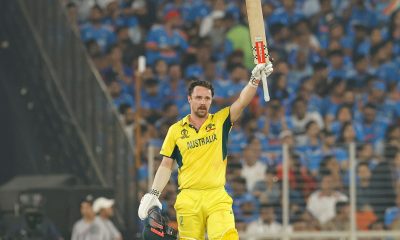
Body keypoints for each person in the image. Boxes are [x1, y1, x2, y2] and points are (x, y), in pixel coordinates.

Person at [138, 62, 273, 239]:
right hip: (188, 197)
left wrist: (254, 80)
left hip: (216, 195)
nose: (203, 102)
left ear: (211, 101)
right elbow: (166, 164)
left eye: (207, 99)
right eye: (199, 98)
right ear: (189, 99)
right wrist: (154, 194)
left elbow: (241, 102)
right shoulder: (176, 130)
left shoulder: (220, 121)